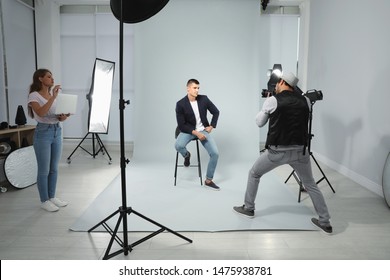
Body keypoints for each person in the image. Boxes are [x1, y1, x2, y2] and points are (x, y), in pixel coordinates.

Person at [233, 72, 332, 234]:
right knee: (310, 184)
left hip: (277, 152)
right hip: (301, 152)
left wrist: (266, 104)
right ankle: (325, 222)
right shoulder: (306, 100)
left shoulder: (273, 100)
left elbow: (259, 122)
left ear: (281, 82)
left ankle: (248, 208)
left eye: (277, 84)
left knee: (254, 174)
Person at [28, 69, 70, 212]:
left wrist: (63, 117)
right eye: (49, 77)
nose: (52, 79)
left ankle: (51, 197)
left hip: (57, 131)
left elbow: (56, 114)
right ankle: (44, 200)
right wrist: (53, 97)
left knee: (54, 168)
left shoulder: (54, 96)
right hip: (43, 133)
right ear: (40, 79)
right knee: (44, 170)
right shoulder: (34, 95)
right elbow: (40, 112)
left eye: (52, 77)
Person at [175, 79, 220, 190]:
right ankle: (187, 155)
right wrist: (196, 133)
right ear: (188, 88)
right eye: (195, 88)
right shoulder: (180, 104)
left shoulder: (204, 99)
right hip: (188, 130)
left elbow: (216, 112)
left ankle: (208, 180)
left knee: (215, 154)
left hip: (203, 130)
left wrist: (211, 126)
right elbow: (181, 125)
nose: (197, 90)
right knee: (178, 145)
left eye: (198, 88)